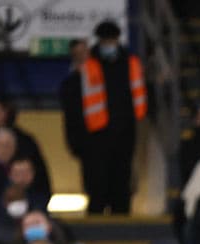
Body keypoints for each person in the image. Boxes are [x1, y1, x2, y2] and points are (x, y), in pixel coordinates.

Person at [59, 20, 145, 214]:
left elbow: (139, 96)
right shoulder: (88, 65)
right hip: (94, 140)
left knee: (121, 188)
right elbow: (72, 105)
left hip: (124, 136)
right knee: (96, 189)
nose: (108, 44)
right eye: (105, 40)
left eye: (111, 39)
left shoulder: (130, 64)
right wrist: (76, 141)